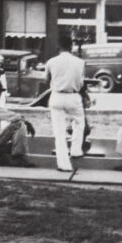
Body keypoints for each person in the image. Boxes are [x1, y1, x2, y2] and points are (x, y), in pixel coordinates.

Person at [45, 34, 87, 173]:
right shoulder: (80, 62)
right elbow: (81, 83)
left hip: (56, 96)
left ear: (58, 47)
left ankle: (63, 164)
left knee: (59, 132)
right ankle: (76, 149)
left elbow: (46, 79)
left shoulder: (51, 62)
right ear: (71, 47)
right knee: (79, 123)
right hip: (73, 96)